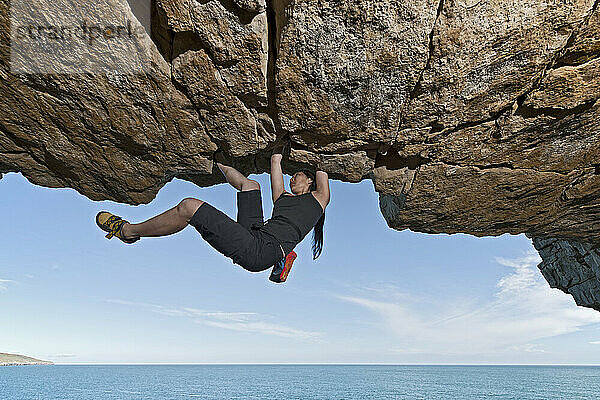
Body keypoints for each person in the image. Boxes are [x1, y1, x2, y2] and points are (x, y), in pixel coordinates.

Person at [95, 146, 330, 275]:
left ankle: (128, 231)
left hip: (259, 252)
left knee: (189, 206)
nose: (291, 179)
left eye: (297, 176)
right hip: (258, 233)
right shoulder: (282, 198)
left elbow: (323, 166)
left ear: (309, 181)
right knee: (251, 185)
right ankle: (218, 159)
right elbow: (275, 161)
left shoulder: (320, 200)